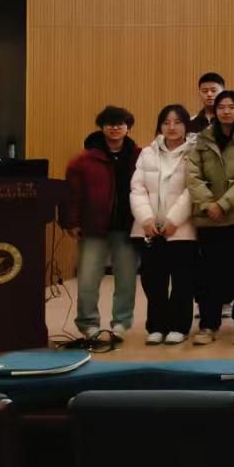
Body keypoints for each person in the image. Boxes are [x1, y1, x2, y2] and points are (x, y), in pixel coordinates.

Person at [187, 91, 234, 346]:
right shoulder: (202, 139)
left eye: (232, 107)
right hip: (209, 218)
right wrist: (209, 204)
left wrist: (224, 204)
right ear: (215, 111)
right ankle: (208, 324)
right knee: (209, 274)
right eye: (221, 107)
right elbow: (192, 175)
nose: (226, 111)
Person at [63, 106, 141, 339]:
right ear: (101, 127)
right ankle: (88, 323)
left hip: (127, 227)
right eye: (109, 124)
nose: (115, 128)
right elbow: (72, 195)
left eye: (120, 124)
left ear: (128, 127)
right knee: (88, 278)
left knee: (126, 279)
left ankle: (121, 323)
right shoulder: (82, 160)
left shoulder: (139, 156)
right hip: (93, 227)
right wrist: (72, 222)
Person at [130, 105, 196, 345]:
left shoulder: (195, 152)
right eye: (166, 122)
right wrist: (146, 219)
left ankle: (179, 326)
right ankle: (157, 326)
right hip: (149, 229)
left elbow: (193, 190)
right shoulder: (147, 153)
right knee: (153, 280)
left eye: (177, 122)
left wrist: (173, 220)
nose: (171, 127)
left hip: (182, 229)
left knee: (182, 281)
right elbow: (137, 189)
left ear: (186, 125)